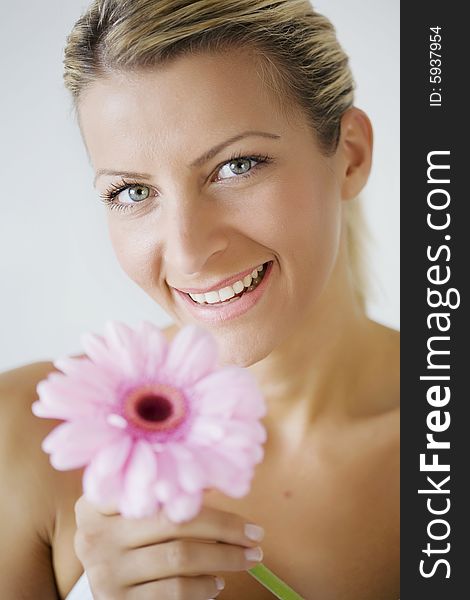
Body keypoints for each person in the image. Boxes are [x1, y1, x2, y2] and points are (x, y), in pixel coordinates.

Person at [0, 0, 399, 598]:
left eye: (237, 166)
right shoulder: (23, 441)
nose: (187, 253)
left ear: (351, 156)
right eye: (133, 191)